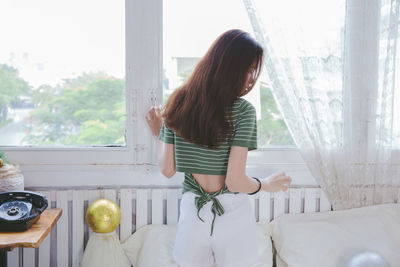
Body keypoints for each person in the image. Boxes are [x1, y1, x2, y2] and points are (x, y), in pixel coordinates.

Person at [146, 29, 292, 267]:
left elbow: (167, 170)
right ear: (232, 69)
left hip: (193, 212)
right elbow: (234, 182)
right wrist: (266, 184)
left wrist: (158, 133)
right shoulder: (243, 111)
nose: (250, 78)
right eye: (248, 70)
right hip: (231, 213)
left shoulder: (178, 101)